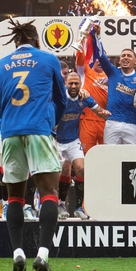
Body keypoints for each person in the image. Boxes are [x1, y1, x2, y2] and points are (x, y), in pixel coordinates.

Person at [0, 18, 66, 271]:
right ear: (36, 40)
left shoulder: (0, 66)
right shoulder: (48, 60)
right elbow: (62, 98)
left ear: (15, 42)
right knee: (49, 194)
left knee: (15, 198)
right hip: (39, 130)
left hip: (10, 133)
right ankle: (43, 255)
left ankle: (18, 253)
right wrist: (50, 122)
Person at [56, 72, 110, 220]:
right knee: (62, 170)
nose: (73, 86)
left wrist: (108, 114)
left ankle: (79, 207)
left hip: (73, 141)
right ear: (66, 84)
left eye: (76, 83)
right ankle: (59, 204)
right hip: (57, 141)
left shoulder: (84, 97)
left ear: (81, 85)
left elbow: (99, 111)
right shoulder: (59, 97)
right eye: (70, 83)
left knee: (82, 168)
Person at [92, 25, 136, 144]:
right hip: (112, 121)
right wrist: (98, 36)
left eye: (129, 56)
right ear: (119, 60)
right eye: (123, 56)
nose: (125, 57)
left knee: (131, 158)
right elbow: (101, 56)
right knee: (111, 157)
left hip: (132, 123)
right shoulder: (112, 72)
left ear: (135, 61)